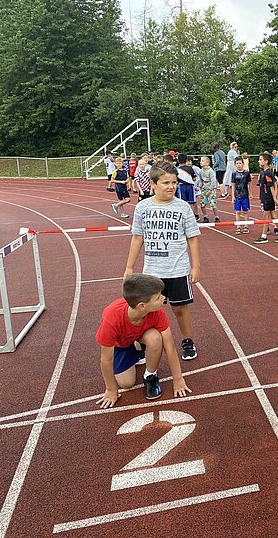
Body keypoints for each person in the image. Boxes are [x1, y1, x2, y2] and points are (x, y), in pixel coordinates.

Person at [124, 161, 201, 361]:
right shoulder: (143, 207)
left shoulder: (183, 207)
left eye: (174, 182)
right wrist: (130, 267)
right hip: (152, 271)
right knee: (145, 310)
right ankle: (142, 344)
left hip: (178, 269)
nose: (171, 187)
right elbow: (137, 237)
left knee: (180, 308)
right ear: (153, 184)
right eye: (166, 182)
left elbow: (192, 238)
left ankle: (187, 340)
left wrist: (196, 266)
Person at [95, 273, 192, 408]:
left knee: (155, 338)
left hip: (140, 334)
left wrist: (178, 379)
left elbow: (170, 347)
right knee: (126, 383)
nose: (164, 298)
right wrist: (111, 390)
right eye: (158, 297)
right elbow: (106, 359)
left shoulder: (157, 312)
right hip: (121, 344)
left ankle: (150, 375)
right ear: (142, 306)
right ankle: (137, 349)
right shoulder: (112, 319)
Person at [254, 151, 278, 244]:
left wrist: (274, 198)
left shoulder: (268, 173)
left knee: (266, 217)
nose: (258, 161)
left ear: (266, 161)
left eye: (260, 160)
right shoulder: (263, 172)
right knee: (273, 216)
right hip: (265, 197)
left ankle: (264, 236)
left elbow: (271, 186)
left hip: (268, 198)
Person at [231, 156, 252, 235]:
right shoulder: (234, 174)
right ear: (235, 165)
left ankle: (246, 226)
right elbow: (233, 185)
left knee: (245, 212)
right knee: (237, 212)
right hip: (237, 195)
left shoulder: (246, 173)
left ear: (243, 164)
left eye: (240, 163)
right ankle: (238, 226)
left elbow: (249, 184)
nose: (239, 165)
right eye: (237, 163)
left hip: (245, 195)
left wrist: (251, 193)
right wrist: (233, 196)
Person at [198, 156, 220, 223]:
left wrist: (210, 190)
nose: (201, 162)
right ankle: (205, 216)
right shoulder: (201, 171)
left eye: (202, 161)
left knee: (213, 203)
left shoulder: (211, 171)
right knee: (202, 204)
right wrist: (200, 186)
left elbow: (213, 181)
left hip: (211, 189)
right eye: (201, 161)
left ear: (207, 163)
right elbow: (201, 180)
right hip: (204, 189)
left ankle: (216, 217)